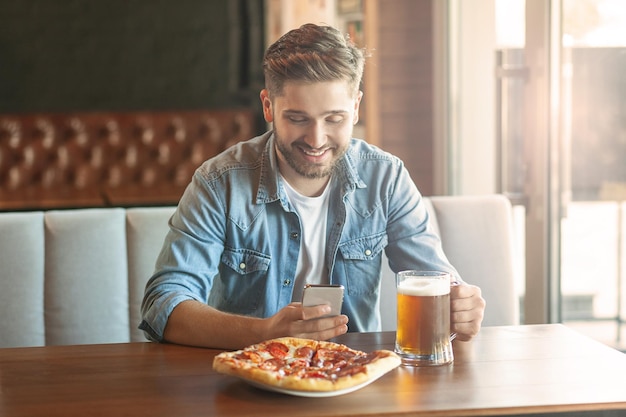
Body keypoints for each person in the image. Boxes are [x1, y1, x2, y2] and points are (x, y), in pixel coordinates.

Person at [140, 23, 485, 349]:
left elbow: (437, 280)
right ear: (268, 107)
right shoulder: (220, 183)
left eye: (334, 119)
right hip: (249, 380)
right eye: (298, 118)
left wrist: (461, 305)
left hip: (354, 380)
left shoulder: (387, 179)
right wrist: (264, 334)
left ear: (355, 108)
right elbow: (164, 304)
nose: (317, 140)